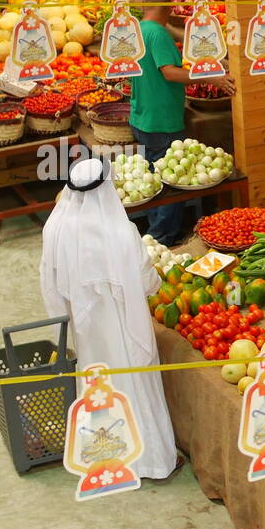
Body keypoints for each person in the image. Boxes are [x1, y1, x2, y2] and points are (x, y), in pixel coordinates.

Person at [40, 158, 179, 481]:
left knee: (97, 383)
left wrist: (66, 312)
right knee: (133, 385)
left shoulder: (55, 227)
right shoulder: (120, 232)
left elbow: (49, 279)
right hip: (123, 326)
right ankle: (149, 461)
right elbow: (146, 283)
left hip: (86, 329)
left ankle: (102, 453)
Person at [128, 0, 234, 244]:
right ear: (169, 5)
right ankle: (164, 238)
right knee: (169, 184)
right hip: (162, 120)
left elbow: (165, 41)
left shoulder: (139, 29)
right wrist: (212, 77)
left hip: (142, 116)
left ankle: (156, 231)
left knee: (154, 178)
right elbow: (170, 72)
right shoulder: (158, 34)